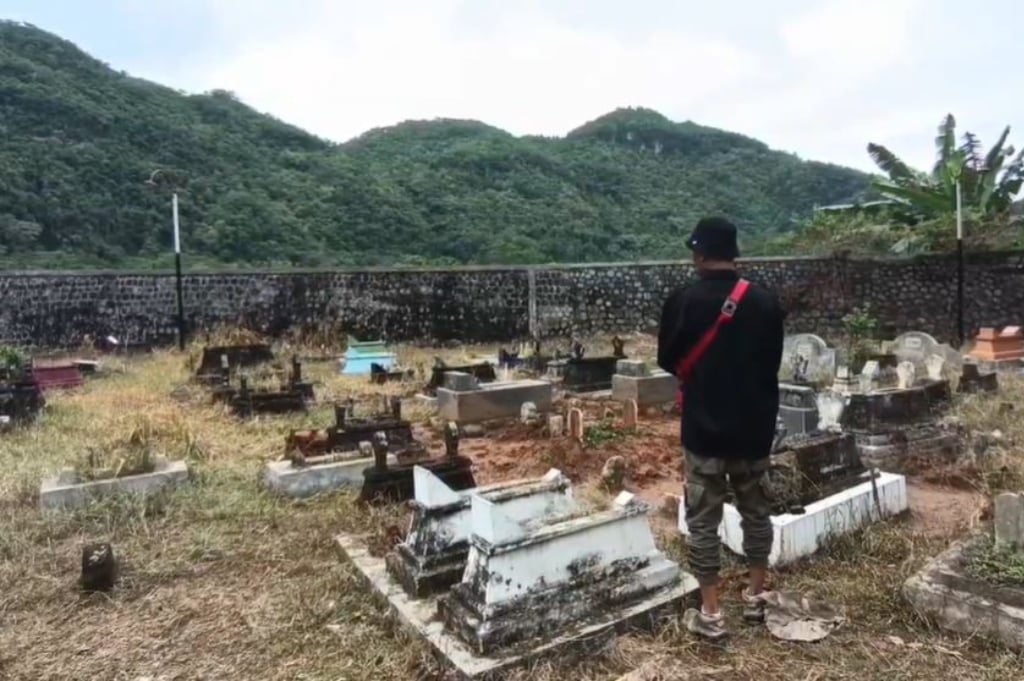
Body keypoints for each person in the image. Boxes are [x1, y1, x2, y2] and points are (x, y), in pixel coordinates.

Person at [656, 216, 785, 641]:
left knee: (703, 521)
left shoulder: (682, 300)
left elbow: (668, 361)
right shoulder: (766, 302)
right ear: (734, 254)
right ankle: (755, 597)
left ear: (699, 254)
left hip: (703, 431)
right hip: (753, 431)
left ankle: (711, 612)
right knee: (756, 513)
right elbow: (771, 363)